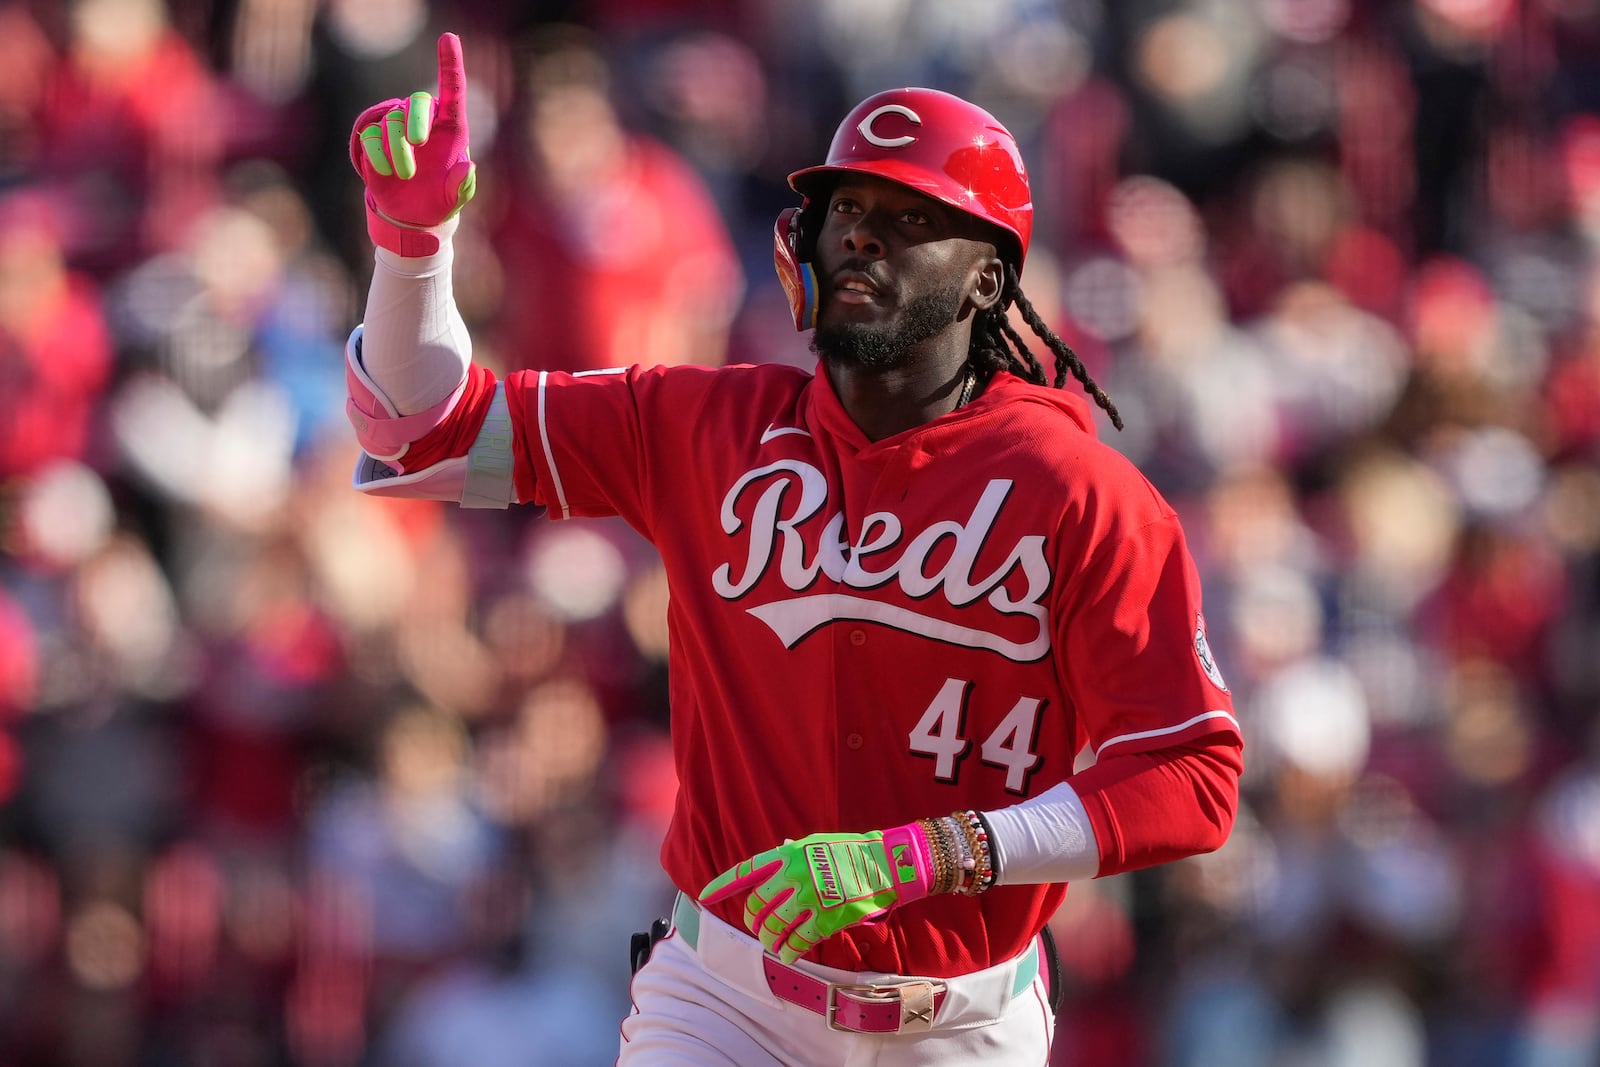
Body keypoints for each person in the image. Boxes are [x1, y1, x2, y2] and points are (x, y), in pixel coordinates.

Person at [343, 33, 1244, 1066]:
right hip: (724, 1000)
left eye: (912, 221)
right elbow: (421, 430)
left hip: (959, 1021)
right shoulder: (701, 422)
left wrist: (926, 854)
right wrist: (413, 245)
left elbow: (1189, 777)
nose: (864, 240)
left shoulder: (1080, 492)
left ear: (989, 281)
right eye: (847, 211)